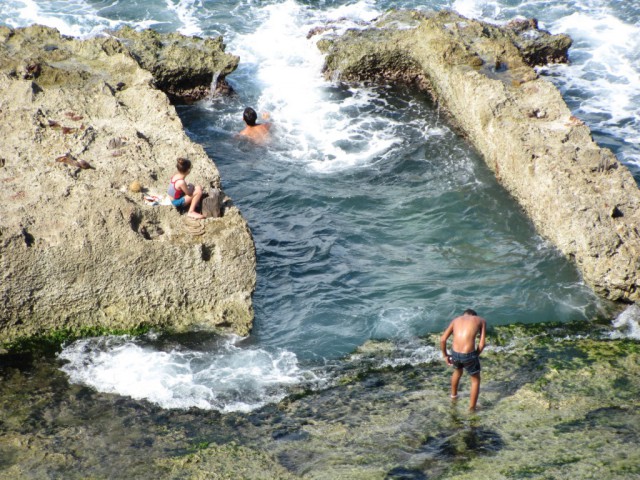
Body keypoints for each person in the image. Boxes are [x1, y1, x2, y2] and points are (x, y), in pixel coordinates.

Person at [440, 308, 487, 411]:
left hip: (455, 353)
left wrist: (445, 356)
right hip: (469, 354)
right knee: (475, 380)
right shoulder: (481, 320)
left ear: (464, 315)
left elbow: (443, 339)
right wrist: (476, 355)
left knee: (457, 372)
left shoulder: (456, 320)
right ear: (474, 315)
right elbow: (482, 344)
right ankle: (472, 408)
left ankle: (453, 396)